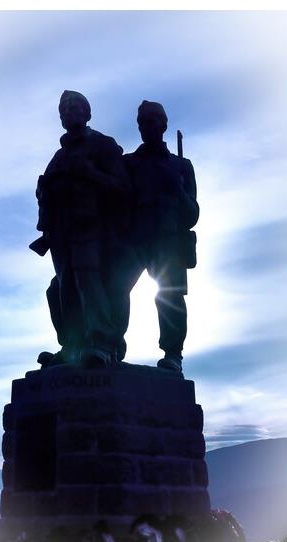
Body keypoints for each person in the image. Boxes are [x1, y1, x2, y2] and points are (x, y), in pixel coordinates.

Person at [35, 90, 129, 368]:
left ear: (87, 113)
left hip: (92, 227)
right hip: (61, 231)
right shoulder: (58, 156)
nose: (68, 110)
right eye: (63, 108)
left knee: (89, 282)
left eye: (74, 106)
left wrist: (90, 173)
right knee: (65, 287)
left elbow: (122, 187)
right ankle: (72, 346)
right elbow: (46, 191)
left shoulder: (103, 145)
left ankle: (101, 343)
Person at [108, 100, 200, 376]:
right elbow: (115, 200)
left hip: (169, 242)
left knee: (169, 297)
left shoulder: (182, 166)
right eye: (143, 122)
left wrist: (180, 193)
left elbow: (193, 214)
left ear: (164, 124)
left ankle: (173, 353)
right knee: (116, 289)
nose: (147, 126)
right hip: (134, 239)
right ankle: (113, 345)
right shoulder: (129, 163)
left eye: (152, 120)